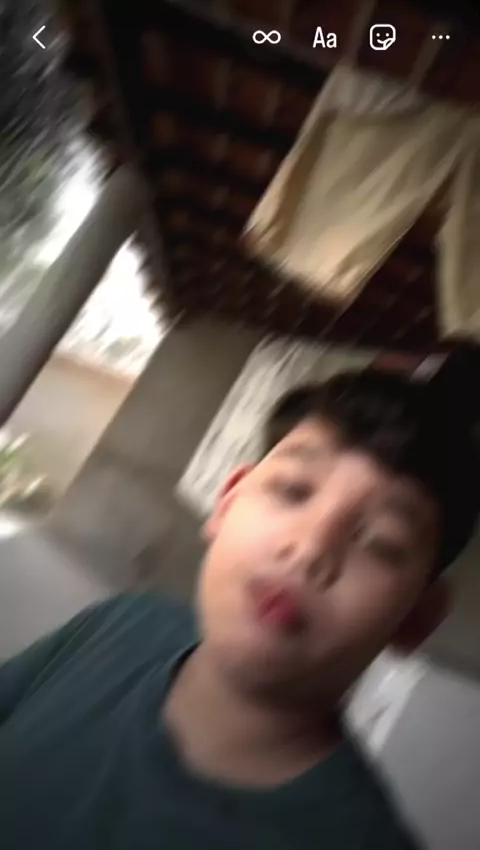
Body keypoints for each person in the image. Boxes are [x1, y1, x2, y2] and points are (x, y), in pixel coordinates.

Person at [0, 359, 479, 849]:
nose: (310, 548)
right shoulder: (118, 622)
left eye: (380, 542)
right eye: (293, 491)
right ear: (228, 503)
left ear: (416, 619)